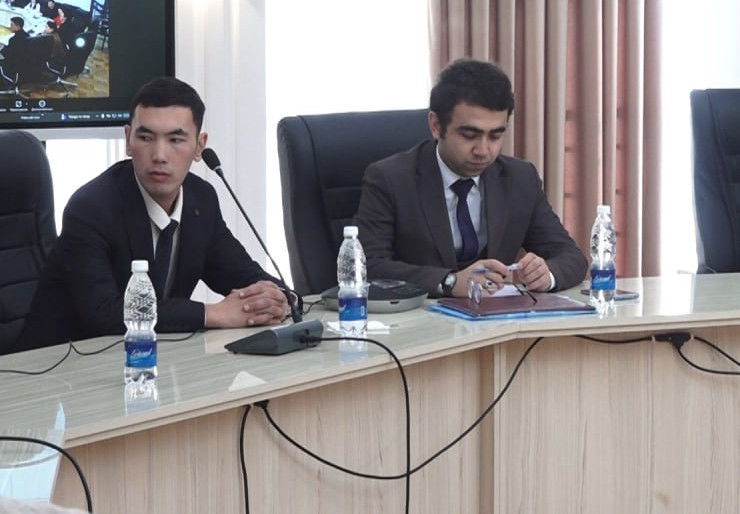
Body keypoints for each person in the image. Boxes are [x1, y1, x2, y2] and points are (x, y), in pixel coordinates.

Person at [14, 78, 291, 353]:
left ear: (199, 146)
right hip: (60, 365)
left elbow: (241, 274)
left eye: (175, 140)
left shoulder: (201, 199)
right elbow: (104, 313)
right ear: (128, 140)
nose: (159, 155)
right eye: (146, 138)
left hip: (148, 361)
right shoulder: (91, 208)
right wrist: (213, 314)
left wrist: (280, 298)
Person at [355, 58, 587, 298]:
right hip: (420, 314)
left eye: (495, 136)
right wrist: (449, 281)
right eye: (469, 135)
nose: (483, 150)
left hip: (494, 314)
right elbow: (368, 266)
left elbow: (571, 256)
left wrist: (547, 275)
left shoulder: (520, 178)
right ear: (436, 125)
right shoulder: (390, 179)